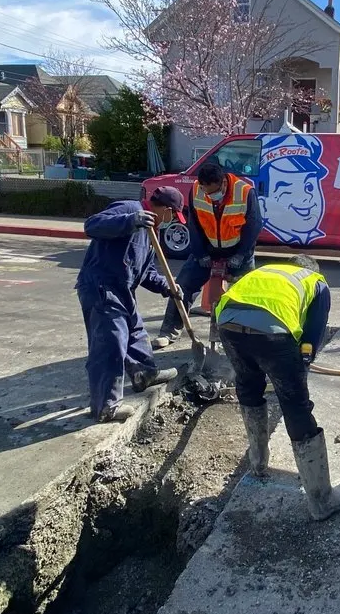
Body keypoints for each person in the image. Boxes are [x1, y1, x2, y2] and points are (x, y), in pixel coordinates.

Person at [214, 254, 340, 521]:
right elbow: (312, 334)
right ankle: (322, 501)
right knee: (295, 406)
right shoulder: (316, 281)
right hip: (273, 332)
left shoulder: (264, 273)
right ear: (313, 269)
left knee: (248, 386)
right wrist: (301, 365)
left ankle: (258, 463)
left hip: (228, 323)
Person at [75, 186, 185, 423]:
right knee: (110, 345)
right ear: (166, 210)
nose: (173, 220)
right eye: (174, 215)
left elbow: (146, 273)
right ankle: (105, 407)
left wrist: (168, 286)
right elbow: (92, 225)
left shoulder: (150, 232)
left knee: (135, 333)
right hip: (101, 288)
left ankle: (144, 373)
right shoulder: (131, 210)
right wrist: (130, 221)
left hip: (123, 290)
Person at [152, 161, 263, 349]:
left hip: (238, 250)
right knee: (183, 286)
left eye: (213, 192)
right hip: (208, 248)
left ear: (223, 183)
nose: (209, 196)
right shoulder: (197, 190)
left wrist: (242, 255)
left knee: (247, 294)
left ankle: (246, 339)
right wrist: (200, 253)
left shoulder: (244, 192)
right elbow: (194, 225)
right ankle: (169, 330)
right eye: (205, 191)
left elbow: (254, 226)